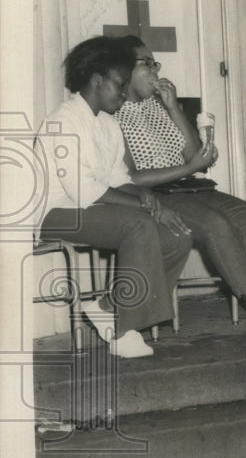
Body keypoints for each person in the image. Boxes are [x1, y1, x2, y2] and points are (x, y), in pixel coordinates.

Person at [115, 36, 246, 330]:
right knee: (215, 223)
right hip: (155, 195)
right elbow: (130, 176)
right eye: (146, 64)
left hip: (187, 187)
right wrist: (189, 167)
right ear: (122, 70)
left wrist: (173, 108)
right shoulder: (115, 112)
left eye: (155, 63)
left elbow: (193, 154)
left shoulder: (157, 106)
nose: (155, 70)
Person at [35, 36, 193, 358]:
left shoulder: (108, 124)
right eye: (119, 85)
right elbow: (83, 190)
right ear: (96, 80)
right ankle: (123, 327)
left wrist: (150, 200)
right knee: (138, 225)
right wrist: (141, 206)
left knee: (178, 233)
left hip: (91, 208)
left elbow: (120, 178)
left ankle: (108, 305)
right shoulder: (63, 121)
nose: (124, 94)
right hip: (55, 212)